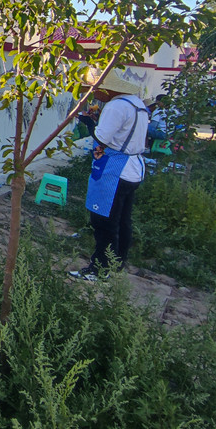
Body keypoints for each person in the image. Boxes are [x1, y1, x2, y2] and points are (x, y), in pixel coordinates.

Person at [72, 68, 150, 281]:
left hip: (115, 171)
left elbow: (102, 138)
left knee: (104, 222)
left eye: (95, 90)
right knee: (122, 221)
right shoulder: (136, 103)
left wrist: (89, 123)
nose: (94, 94)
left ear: (106, 89)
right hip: (133, 170)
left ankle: (99, 269)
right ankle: (117, 264)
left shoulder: (116, 106)